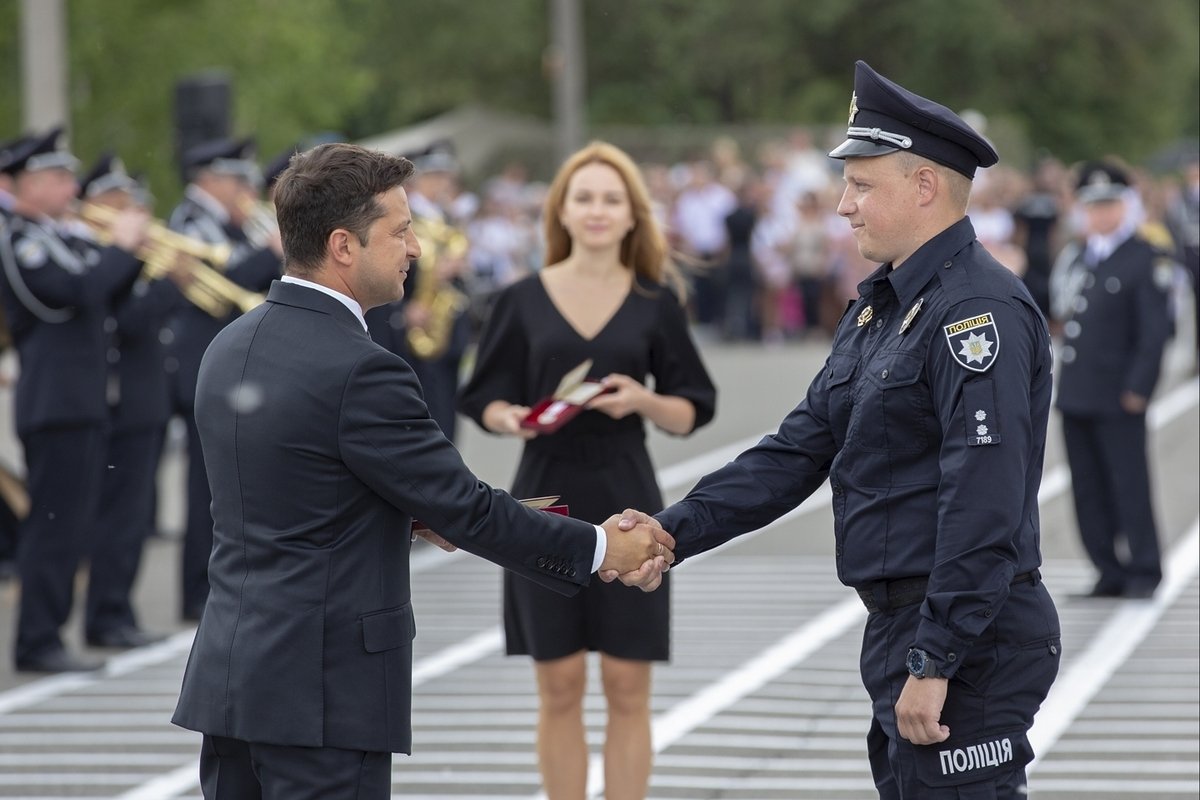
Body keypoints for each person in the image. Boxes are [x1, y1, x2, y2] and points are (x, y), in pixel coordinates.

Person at [170, 142, 675, 800]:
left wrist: (403, 513)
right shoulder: (361, 367)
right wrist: (604, 546)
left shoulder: (230, 346)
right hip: (323, 696)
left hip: (232, 683)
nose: (415, 248)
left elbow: (294, 488)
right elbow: (469, 508)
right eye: (401, 231)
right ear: (344, 246)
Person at [617, 61, 1062, 799]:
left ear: (924, 187)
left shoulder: (976, 314)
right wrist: (672, 530)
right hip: (906, 628)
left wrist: (937, 659)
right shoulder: (880, 308)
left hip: (966, 639)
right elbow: (798, 449)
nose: (843, 205)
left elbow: (984, 500)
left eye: (862, 184)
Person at [458, 141, 717, 800]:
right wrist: (507, 417)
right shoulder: (520, 298)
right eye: (584, 198)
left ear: (632, 215)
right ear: (562, 212)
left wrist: (644, 400)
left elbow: (693, 408)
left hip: (628, 491)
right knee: (560, 683)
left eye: (611, 199)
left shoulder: (655, 301)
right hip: (545, 498)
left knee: (629, 685)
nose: (597, 210)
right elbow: (480, 396)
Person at [0, 126, 150, 672]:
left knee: (74, 524)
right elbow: (72, 296)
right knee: (54, 524)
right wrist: (122, 248)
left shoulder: (65, 236)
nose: (70, 185)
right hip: (54, 400)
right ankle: (37, 640)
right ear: (22, 185)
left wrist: (131, 253)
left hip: (84, 399)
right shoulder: (23, 240)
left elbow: (110, 292)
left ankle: (54, 633)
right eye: (56, 176)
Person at [165, 136, 282, 621]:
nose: (245, 190)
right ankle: (196, 591)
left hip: (234, 367)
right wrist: (272, 250)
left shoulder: (227, 222)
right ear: (210, 179)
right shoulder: (190, 221)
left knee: (231, 486)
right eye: (237, 180)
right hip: (200, 367)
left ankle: (222, 585)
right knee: (205, 487)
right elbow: (228, 282)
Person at [1051, 160, 1174, 599]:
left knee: (1128, 484)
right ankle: (1107, 569)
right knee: (1088, 488)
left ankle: (1144, 569)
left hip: (1119, 396)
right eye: (1092, 207)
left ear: (1126, 206)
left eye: (1109, 205)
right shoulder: (1081, 257)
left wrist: (1139, 388)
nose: (1100, 215)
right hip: (1078, 393)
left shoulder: (1145, 258)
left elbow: (1154, 332)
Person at [77, 153, 178, 648]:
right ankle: (106, 615)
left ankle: (120, 610)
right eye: (115, 200)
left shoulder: (121, 252)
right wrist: (165, 283)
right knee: (117, 516)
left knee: (134, 516)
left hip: (145, 397)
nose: (127, 208)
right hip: (119, 399)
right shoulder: (99, 252)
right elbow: (123, 321)